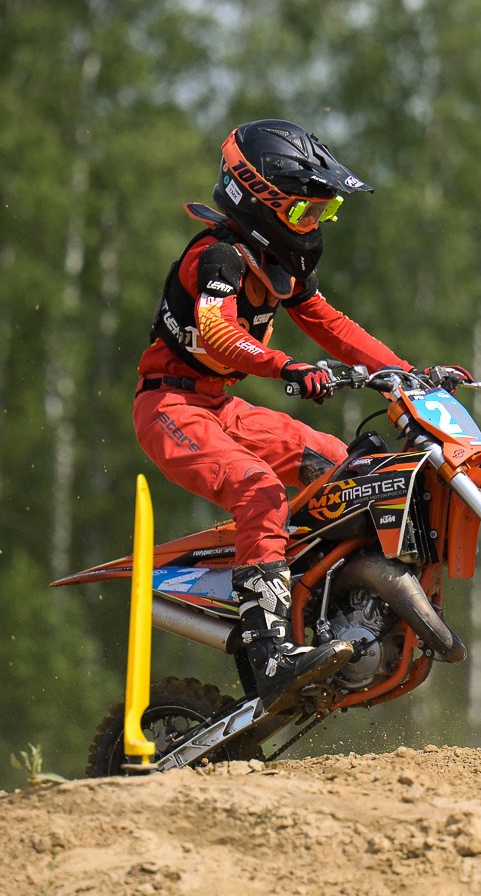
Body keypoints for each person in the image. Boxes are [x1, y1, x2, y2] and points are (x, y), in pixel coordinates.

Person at [134, 120, 461, 712]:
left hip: (224, 406)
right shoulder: (217, 258)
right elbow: (216, 331)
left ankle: (337, 607)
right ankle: (268, 651)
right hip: (171, 406)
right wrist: (285, 366)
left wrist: (406, 374)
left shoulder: (277, 265)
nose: (313, 226)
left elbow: (332, 325)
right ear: (260, 201)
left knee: (347, 469)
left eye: (322, 215)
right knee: (259, 489)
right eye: (305, 213)